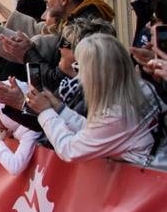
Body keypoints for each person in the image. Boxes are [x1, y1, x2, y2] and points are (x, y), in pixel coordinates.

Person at [26, 34, 159, 164]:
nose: (78, 76)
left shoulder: (117, 113)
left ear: (95, 75)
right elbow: (92, 131)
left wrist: (45, 112)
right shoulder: (139, 87)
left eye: (79, 68)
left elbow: (69, 150)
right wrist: (58, 108)